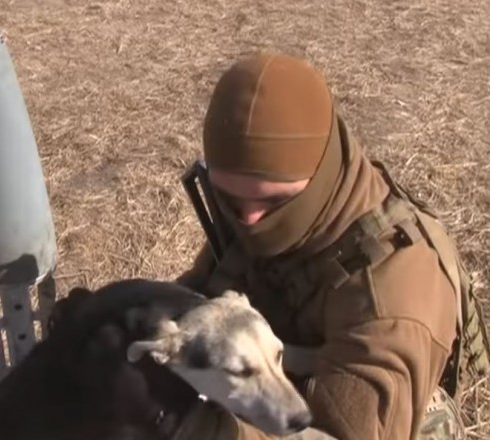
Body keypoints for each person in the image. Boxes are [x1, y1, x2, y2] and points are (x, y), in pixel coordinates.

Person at [172, 52, 490, 439]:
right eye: (231, 200)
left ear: (320, 175)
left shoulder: (392, 295)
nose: (249, 221)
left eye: (273, 203)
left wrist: (202, 428)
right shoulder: (267, 204)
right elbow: (204, 300)